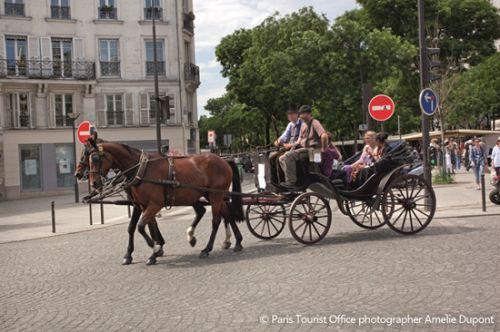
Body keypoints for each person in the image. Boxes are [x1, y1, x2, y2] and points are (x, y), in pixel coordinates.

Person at [279, 105, 327, 189]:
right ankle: (295, 178)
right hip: (303, 149)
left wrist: (324, 149)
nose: (301, 116)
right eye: (300, 114)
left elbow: (324, 136)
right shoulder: (303, 125)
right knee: (282, 158)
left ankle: (291, 182)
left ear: (309, 114)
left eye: (303, 114)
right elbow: (299, 141)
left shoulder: (315, 122)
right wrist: (291, 148)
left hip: (313, 150)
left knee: (288, 156)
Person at [268, 108, 302, 186]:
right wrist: (278, 141)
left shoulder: (302, 124)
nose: (289, 116)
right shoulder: (290, 125)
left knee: (280, 158)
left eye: (291, 114)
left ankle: (286, 181)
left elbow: (301, 140)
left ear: (296, 114)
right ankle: (275, 182)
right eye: (288, 115)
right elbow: (284, 136)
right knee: (272, 157)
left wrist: (290, 145)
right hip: (289, 147)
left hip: (297, 147)